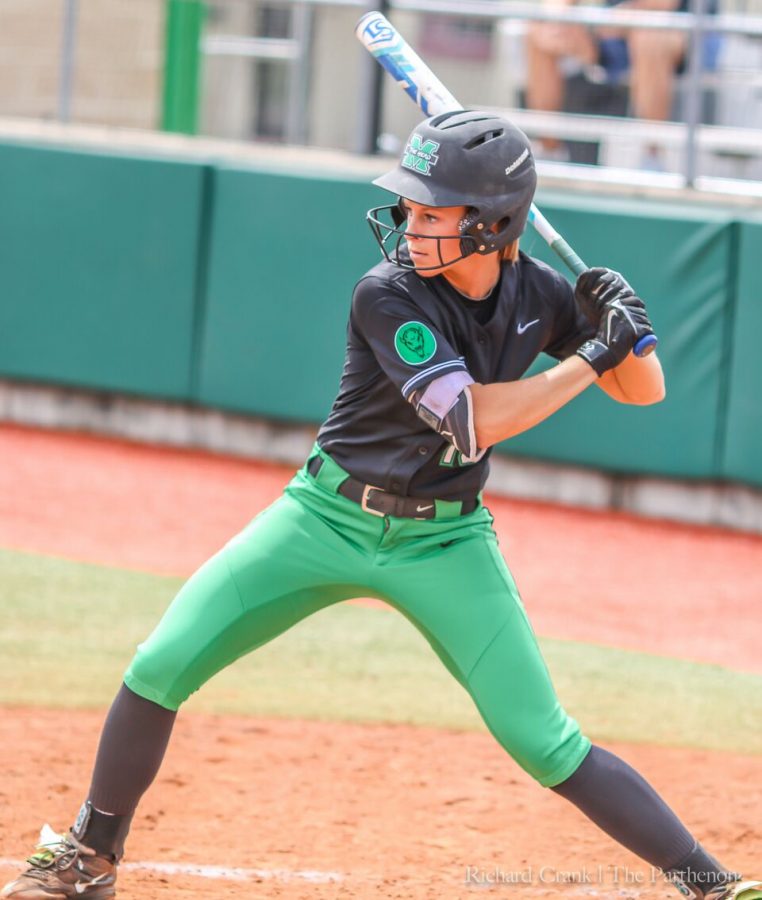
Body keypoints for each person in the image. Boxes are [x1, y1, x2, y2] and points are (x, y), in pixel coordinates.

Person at [2, 110, 759, 900]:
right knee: (161, 664)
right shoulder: (387, 293)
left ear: (495, 224)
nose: (411, 226)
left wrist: (630, 333)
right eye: (411, 208)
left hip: (445, 543)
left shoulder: (538, 292)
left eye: (433, 213)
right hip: (323, 518)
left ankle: (711, 885)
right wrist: (593, 354)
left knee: (545, 742)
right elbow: (472, 421)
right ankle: (89, 857)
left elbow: (646, 393)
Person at [526, 0, 719, 166]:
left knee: (650, 36)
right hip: (615, 30)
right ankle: (550, 153)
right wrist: (558, 14)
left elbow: (661, 4)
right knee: (541, 30)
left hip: (684, 33)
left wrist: (609, 20)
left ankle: (652, 159)